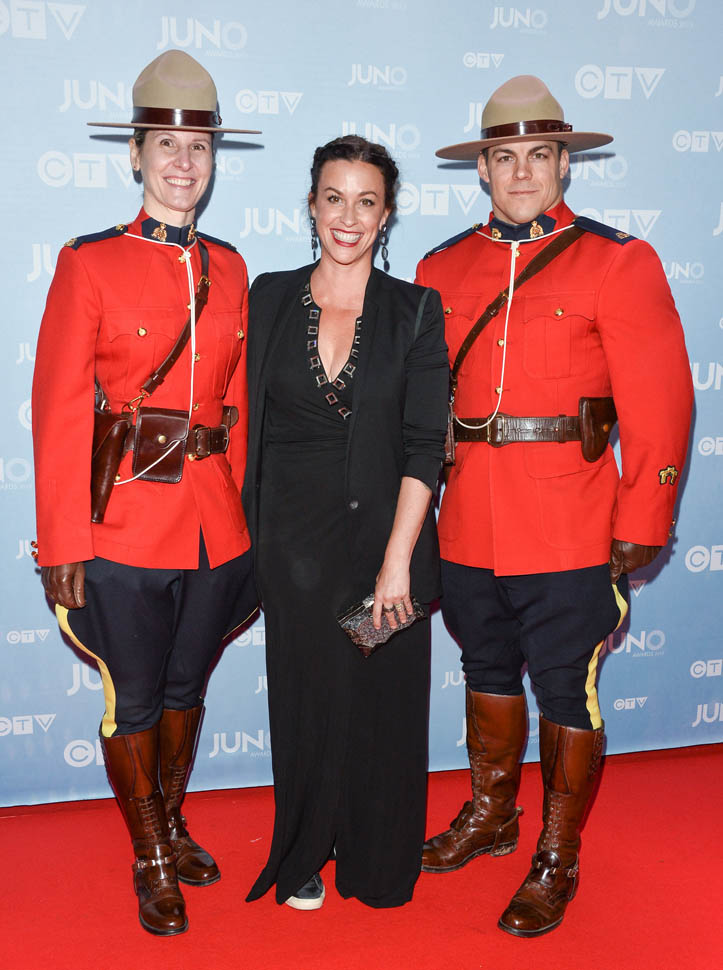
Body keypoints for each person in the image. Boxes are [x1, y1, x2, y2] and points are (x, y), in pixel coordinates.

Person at [415, 75, 693, 937]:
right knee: (486, 672)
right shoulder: (439, 268)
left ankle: (556, 853)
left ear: (564, 163)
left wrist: (641, 521)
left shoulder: (616, 260)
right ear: (482, 169)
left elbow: (660, 402)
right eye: (504, 158)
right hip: (468, 520)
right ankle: (492, 814)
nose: (522, 173)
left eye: (539, 155)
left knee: (567, 690)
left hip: (572, 522)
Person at [32, 50, 259, 936]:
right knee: (134, 698)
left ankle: (167, 818)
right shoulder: (89, 262)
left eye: (198, 146)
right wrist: (63, 542)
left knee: (185, 688)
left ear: (213, 159)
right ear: (135, 154)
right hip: (122, 521)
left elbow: (239, 407)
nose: (182, 162)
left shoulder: (231, 267)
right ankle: (151, 855)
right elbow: (58, 410)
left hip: (213, 523)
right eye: (165, 144)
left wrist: (246, 517)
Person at [243, 135, 448, 911]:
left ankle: (374, 859)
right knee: (306, 702)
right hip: (291, 546)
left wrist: (397, 562)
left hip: (383, 543)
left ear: (386, 214)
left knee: (380, 705)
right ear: (311, 205)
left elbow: (424, 446)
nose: (348, 217)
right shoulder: (267, 296)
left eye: (366, 201)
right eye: (334, 198)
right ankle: (302, 850)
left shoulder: (415, 309)